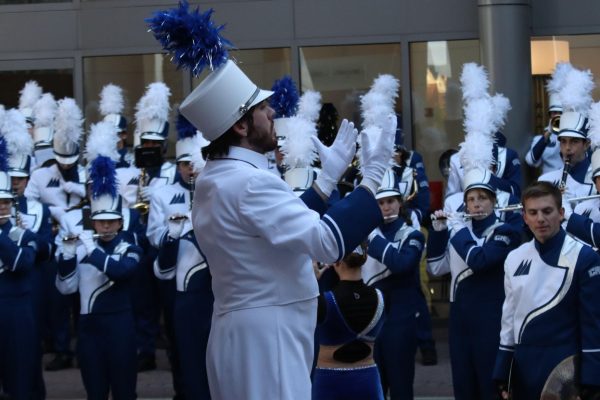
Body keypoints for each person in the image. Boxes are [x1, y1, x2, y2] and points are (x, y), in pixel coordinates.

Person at [180, 59, 394, 399]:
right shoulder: (250, 182)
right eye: (262, 108)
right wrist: (372, 179)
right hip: (268, 337)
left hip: (248, 330)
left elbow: (273, 230)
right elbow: (326, 243)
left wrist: (325, 181)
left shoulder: (217, 176)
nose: (271, 113)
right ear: (241, 127)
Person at [493, 181, 600, 399]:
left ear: (561, 213)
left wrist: (592, 378)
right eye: (533, 212)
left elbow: (593, 323)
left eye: (547, 211)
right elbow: (509, 317)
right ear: (524, 217)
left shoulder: (585, 256)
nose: (540, 219)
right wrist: (503, 370)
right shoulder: (514, 258)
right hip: (523, 369)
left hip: (567, 371)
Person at [55, 139, 142, 399]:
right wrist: (68, 256)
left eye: (110, 221)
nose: (104, 226)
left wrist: (90, 251)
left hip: (120, 326)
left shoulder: (130, 247)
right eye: (99, 221)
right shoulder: (83, 246)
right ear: (92, 222)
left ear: (119, 222)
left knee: (125, 392)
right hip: (88, 327)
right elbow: (65, 287)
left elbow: (121, 272)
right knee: (95, 392)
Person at [427, 166, 521, 399]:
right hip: (460, 321)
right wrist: (439, 232)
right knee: (463, 385)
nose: (477, 204)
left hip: (490, 320)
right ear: (465, 204)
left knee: (489, 386)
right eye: (471, 199)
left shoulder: (504, 231)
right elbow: (436, 267)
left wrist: (456, 228)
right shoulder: (460, 232)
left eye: (482, 198)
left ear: (493, 202)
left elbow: (479, 260)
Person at [150, 113, 212, 399]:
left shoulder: (214, 191)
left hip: (212, 281)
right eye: (185, 165)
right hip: (174, 277)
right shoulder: (161, 194)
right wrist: (173, 233)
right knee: (181, 346)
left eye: (194, 164)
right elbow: (153, 234)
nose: (190, 170)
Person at [362, 168, 425, 400]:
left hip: (400, 323)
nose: (386, 207)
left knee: (401, 389)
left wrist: (374, 239)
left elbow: (402, 264)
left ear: (400, 203)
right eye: (380, 203)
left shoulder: (412, 235)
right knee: (373, 389)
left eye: (390, 201)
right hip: (370, 323)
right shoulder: (365, 234)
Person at [312, 244, 385, 400]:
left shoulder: (325, 301)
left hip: (330, 381)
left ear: (336, 262)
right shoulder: (380, 297)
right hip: (368, 380)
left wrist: (312, 281)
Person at [0, 132, 39, 400]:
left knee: (20, 377)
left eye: (5, 202)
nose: (1, 207)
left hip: (16, 310)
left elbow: (21, 263)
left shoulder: (22, 233)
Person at [525, 93, 563, 175]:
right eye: (554, 112)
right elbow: (530, 161)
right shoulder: (540, 139)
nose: (557, 115)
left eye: (560, 112)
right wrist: (549, 132)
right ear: (550, 115)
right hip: (548, 182)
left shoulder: (573, 138)